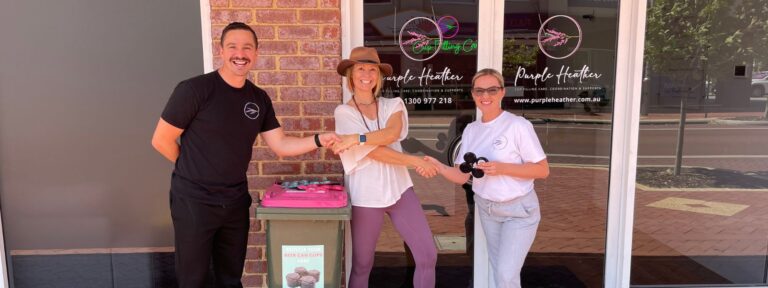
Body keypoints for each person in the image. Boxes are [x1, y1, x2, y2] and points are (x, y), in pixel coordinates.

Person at [151, 22, 340, 288]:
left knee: (230, 278)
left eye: (247, 48)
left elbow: (281, 145)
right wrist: (194, 170)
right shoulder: (194, 90)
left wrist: (320, 140)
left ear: (256, 53)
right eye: (233, 47)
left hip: (235, 200)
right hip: (194, 200)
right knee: (193, 279)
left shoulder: (258, 98)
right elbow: (161, 140)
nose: (240, 54)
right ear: (221, 51)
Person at [425, 68, 549, 288]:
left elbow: (542, 170)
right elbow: (461, 175)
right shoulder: (471, 130)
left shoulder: (518, 125)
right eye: (479, 90)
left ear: (502, 92)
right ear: (473, 94)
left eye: (492, 90)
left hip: (518, 211)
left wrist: (503, 168)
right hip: (487, 209)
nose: (485, 96)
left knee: (505, 274)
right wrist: (440, 168)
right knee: (499, 270)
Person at [330, 46, 438, 288]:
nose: (366, 74)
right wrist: (414, 161)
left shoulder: (393, 104)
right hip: (365, 197)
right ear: (351, 74)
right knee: (362, 265)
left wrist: (357, 138)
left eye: (372, 69)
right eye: (360, 68)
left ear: (379, 76)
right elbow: (375, 151)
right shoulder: (344, 112)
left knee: (428, 255)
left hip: (401, 192)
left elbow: (392, 133)